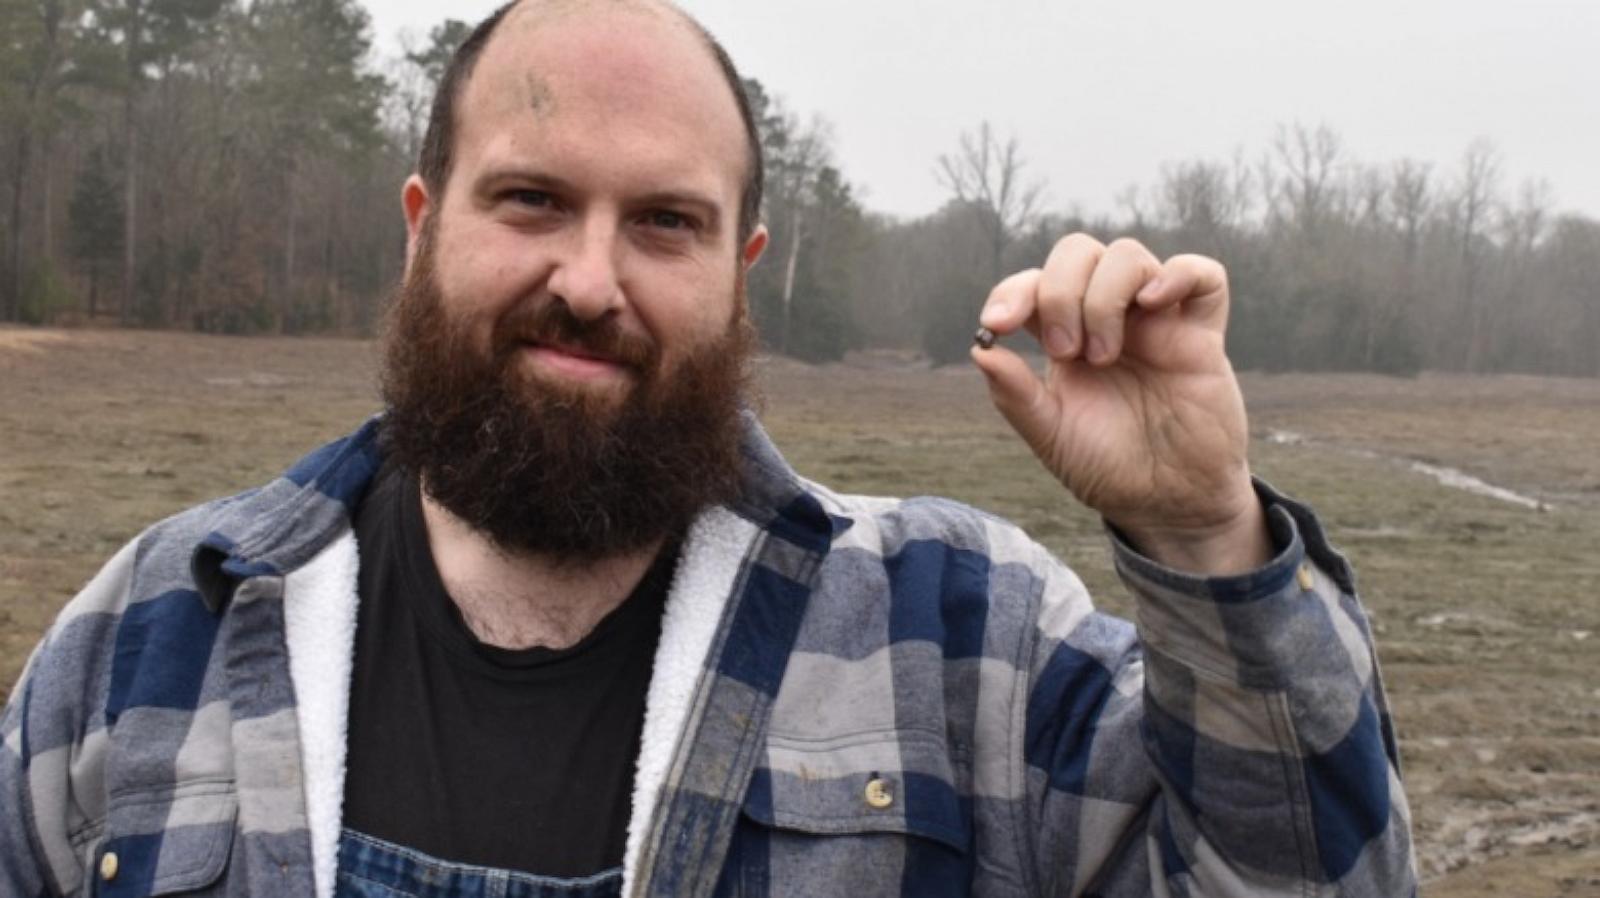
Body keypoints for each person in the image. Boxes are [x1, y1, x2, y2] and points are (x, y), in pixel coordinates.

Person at [0, 1, 1417, 895]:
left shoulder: (962, 641)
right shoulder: (150, 637)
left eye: (664, 223)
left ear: (744, 267)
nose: (592, 281)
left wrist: (1202, 535)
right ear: (423, 225)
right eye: (534, 200)